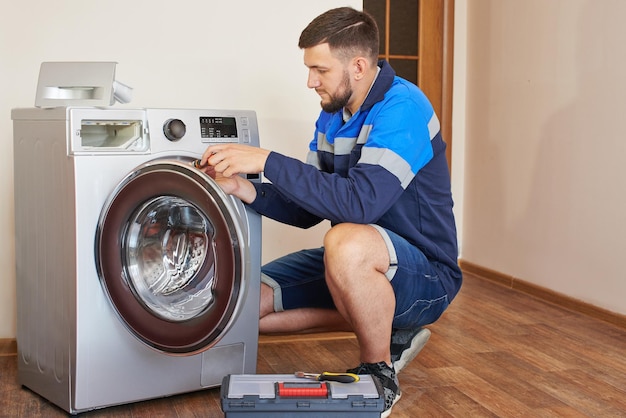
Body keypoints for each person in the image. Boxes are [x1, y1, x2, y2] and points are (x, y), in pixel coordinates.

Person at [199, 7, 462, 417]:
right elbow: (307, 208)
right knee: (239, 307)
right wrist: (243, 187)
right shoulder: (332, 116)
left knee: (344, 238)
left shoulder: (403, 108)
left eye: (319, 69)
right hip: (355, 263)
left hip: (426, 274)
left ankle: (379, 375)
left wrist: (267, 159)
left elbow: (361, 205)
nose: (310, 81)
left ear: (358, 66)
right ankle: (386, 323)